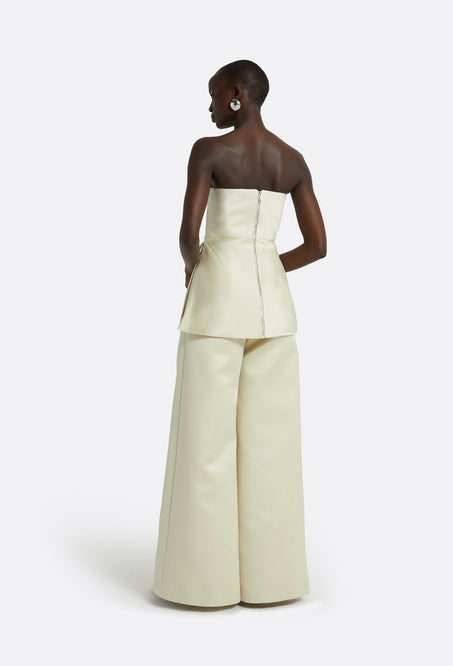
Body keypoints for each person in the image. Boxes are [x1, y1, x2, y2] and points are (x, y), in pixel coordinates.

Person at [153, 59, 327, 608]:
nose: (209, 106)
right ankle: (272, 584)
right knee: (271, 449)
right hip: (274, 314)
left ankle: (202, 587)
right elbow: (318, 246)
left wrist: (194, 268)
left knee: (204, 444)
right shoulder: (292, 160)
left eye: (214, 95)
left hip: (215, 311)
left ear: (236, 94)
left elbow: (188, 233)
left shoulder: (209, 150)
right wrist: (267, 266)